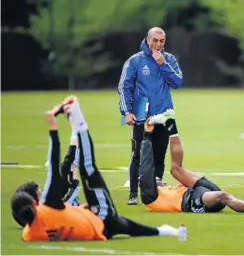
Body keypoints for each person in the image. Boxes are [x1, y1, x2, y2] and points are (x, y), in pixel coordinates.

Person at [11, 96, 179, 241]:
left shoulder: (29, 235)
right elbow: (55, 167)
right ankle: (78, 119)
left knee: (125, 225)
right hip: (100, 218)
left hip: (99, 223)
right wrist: (53, 128)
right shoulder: (47, 206)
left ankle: (162, 231)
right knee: (88, 168)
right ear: (35, 203)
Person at [138, 111, 244, 214]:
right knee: (223, 196)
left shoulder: (164, 190)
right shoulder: (149, 197)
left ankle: (171, 125)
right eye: (157, 180)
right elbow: (146, 167)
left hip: (194, 190)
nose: (161, 180)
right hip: (192, 200)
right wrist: (146, 136)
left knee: (175, 170)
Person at [117, 27, 184, 205]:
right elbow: (124, 87)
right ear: (147, 40)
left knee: (159, 155)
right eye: (155, 40)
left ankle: (155, 192)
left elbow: (177, 82)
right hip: (141, 115)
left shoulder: (168, 59)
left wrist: (163, 64)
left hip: (163, 115)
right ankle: (133, 193)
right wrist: (127, 112)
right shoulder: (135, 61)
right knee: (138, 154)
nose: (158, 44)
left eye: (161, 41)